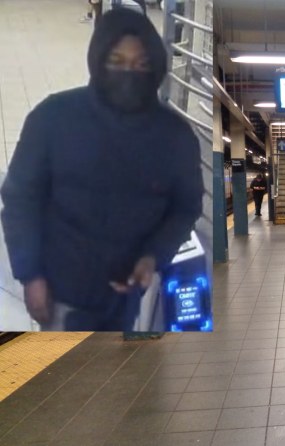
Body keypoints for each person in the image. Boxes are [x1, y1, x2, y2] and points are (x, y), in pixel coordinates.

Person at [0, 9, 204, 331]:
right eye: (116, 61)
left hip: (135, 297)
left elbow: (186, 206)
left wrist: (153, 255)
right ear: (98, 61)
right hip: (62, 297)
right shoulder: (53, 118)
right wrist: (30, 275)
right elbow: (20, 200)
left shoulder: (175, 136)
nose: (129, 72)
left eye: (141, 64)